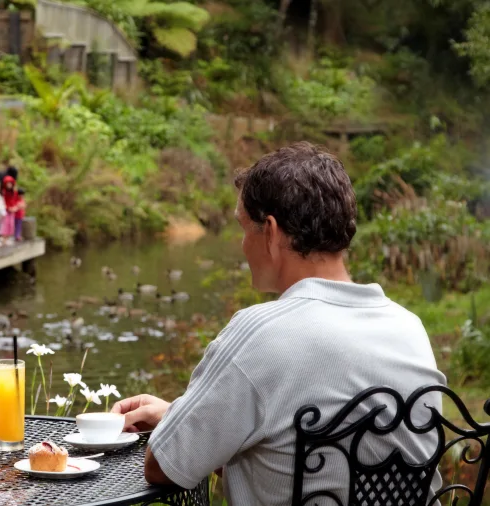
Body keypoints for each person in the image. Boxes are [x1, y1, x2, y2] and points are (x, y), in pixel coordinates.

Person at [112, 142, 445, 504]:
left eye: (244, 228)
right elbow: (301, 456)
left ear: (270, 231)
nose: (242, 245)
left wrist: (178, 428)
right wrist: (181, 418)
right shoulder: (408, 327)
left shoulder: (260, 332)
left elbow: (163, 465)